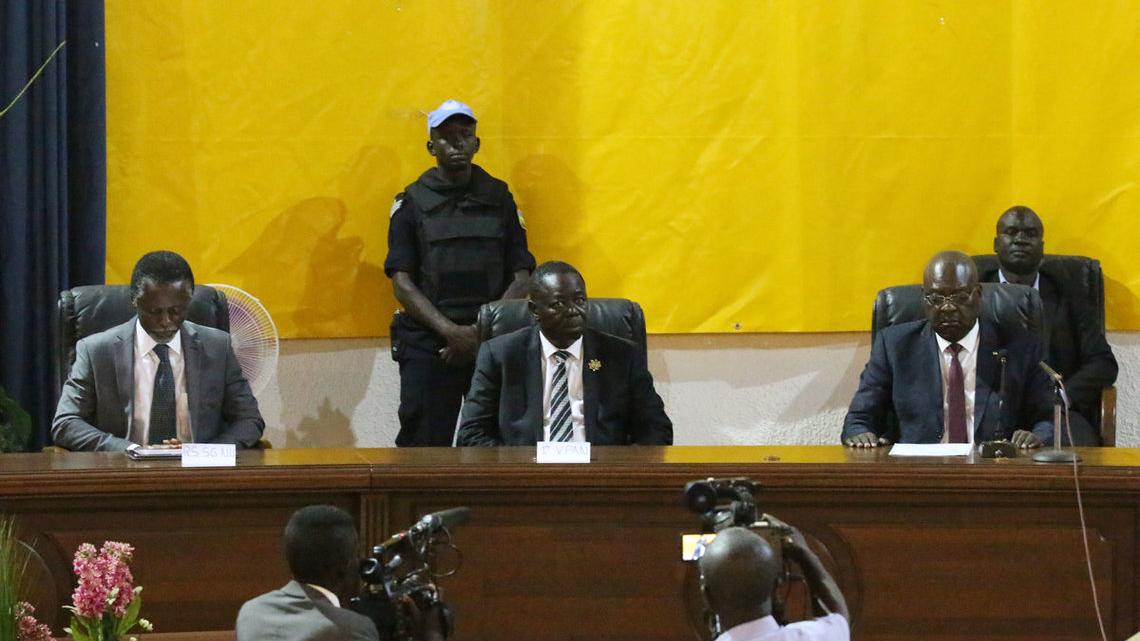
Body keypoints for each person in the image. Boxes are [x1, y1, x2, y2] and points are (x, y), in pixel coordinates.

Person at [384, 99, 536, 447]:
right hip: (431, 344)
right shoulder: (411, 202)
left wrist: (480, 332)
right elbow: (402, 283)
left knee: (503, 446)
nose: (457, 143)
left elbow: (523, 276)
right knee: (423, 449)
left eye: (465, 135)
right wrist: (451, 332)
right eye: (446, 136)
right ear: (431, 147)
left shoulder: (500, 197)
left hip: (494, 340)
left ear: (477, 143)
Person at [52, 250, 264, 451]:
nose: (165, 321)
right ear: (135, 302)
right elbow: (66, 422)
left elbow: (249, 420)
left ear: (188, 302)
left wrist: (202, 453)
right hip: (125, 468)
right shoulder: (96, 351)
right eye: (154, 312)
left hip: (197, 470)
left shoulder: (218, 348)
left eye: (176, 311)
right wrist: (126, 449)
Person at [842, 250, 1055, 448]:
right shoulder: (895, 346)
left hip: (992, 469)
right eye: (936, 299)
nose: (948, 307)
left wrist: (1037, 436)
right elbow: (859, 418)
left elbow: (1049, 419)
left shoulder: (1020, 347)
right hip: (919, 470)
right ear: (923, 298)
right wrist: (861, 434)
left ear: (978, 294)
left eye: (960, 297)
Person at [455, 261, 672, 446]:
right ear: (534, 311)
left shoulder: (621, 356)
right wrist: (517, 468)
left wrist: (618, 469)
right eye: (559, 304)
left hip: (599, 473)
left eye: (580, 300)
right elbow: (471, 433)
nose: (574, 311)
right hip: (526, 474)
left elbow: (657, 429)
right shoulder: (500, 355)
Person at [978, 205, 1116, 445]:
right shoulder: (974, 295)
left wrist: (1061, 397)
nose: (1021, 240)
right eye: (1011, 232)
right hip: (993, 408)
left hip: (1057, 410)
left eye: (1030, 234)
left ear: (1042, 247)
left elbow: (1103, 363)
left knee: (1063, 446)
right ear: (996, 244)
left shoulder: (1070, 295)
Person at [236, 505, 445, 641]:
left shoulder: (251, 612)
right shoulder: (351, 630)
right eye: (356, 554)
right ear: (345, 565)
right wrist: (432, 633)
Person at [697, 522, 849, 641]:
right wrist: (803, 552)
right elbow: (838, 620)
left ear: (708, 598)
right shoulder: (813, 637)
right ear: (776, 586)